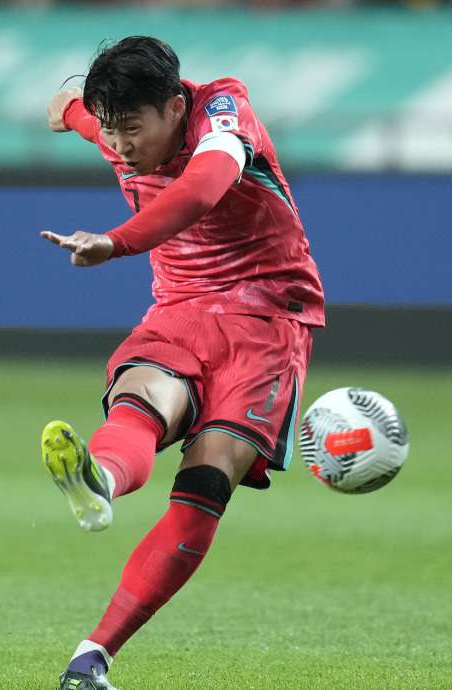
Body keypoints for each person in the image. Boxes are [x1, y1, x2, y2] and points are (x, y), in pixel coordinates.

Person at [39, 35, 325, 690]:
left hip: (269, 318)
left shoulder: (225, 114)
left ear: (174, 107)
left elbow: (200, 190)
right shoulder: (114, 125)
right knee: (142, 399)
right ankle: (99, 482)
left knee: (208, 476)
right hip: (181, 310)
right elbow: (67, 108)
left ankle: (92, 656)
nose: (119, 144)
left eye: (131, 128)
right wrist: (70, 108)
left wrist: (114, 243)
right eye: (108, 128)